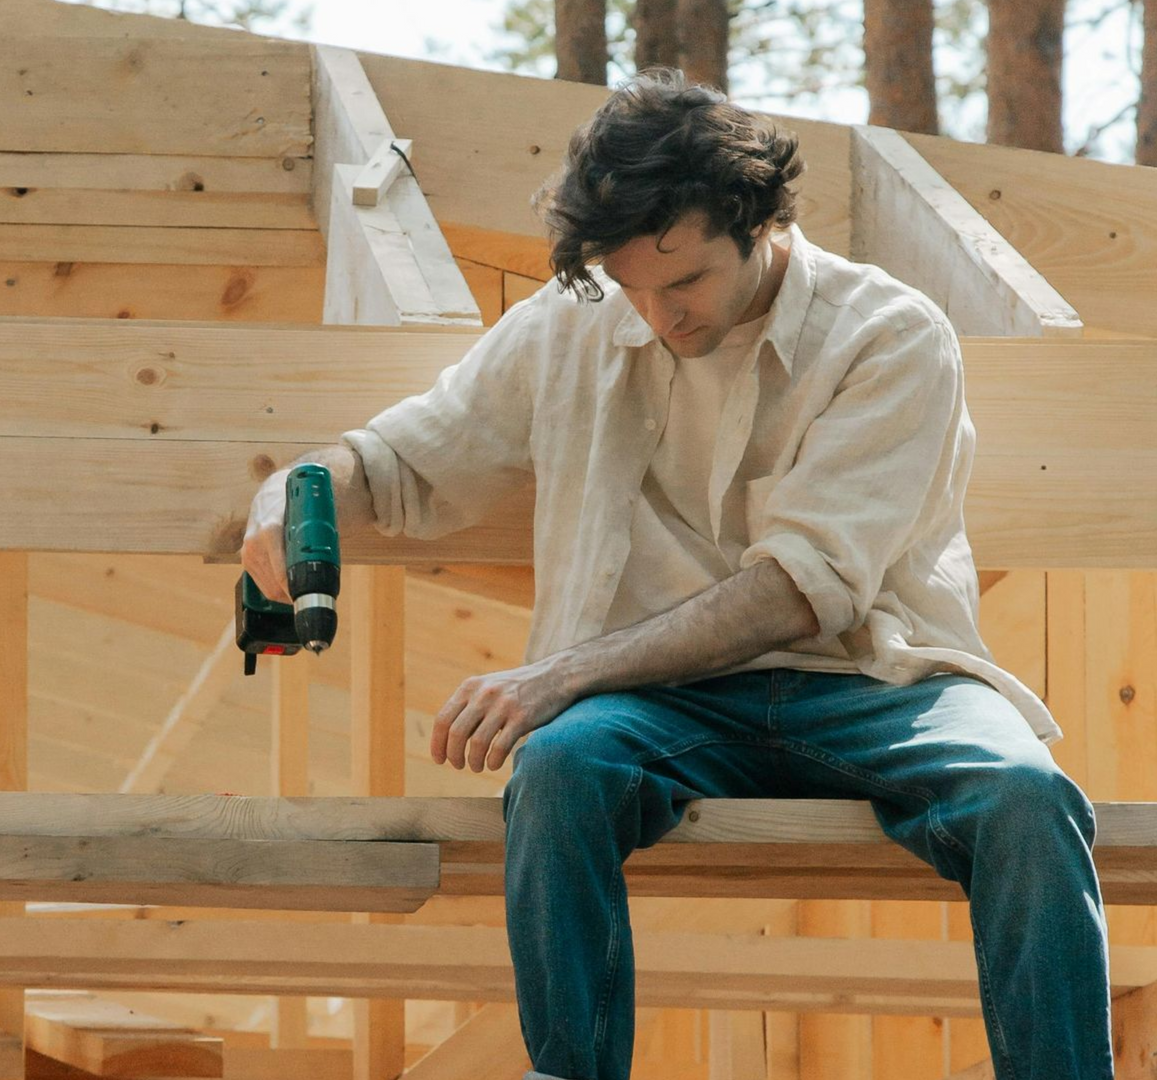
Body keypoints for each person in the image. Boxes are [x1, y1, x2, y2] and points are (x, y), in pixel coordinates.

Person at [239, 71, 1112, 1080]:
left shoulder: (891, 335)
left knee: (1024, 797)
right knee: (561, 772)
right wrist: (298, 488)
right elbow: (403, 459)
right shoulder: (570, 322)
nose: (658, 314)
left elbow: (800, 587)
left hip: (876, 681)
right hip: (659, 704)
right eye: (631, 286)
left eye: (684, 281)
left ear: (761, 224)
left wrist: (559, 675)